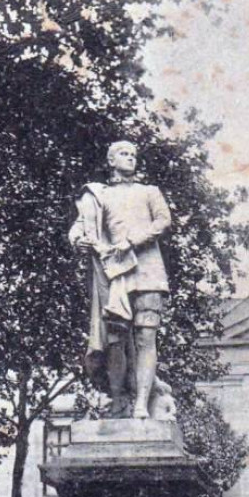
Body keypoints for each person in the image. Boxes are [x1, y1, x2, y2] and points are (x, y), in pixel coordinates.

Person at [69, 140, 171, 419]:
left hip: (149, 272)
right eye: (124, 154)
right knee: (115, 340)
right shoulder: (99, 196)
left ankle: (141, 403)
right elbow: (80, 226)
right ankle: (118, 400)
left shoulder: (149, 191)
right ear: (111, 161)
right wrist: (78, 240)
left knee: (145, 337)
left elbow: (163, 221)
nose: (131, 159)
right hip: (115, 275)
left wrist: (132, 241)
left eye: (134, 155)